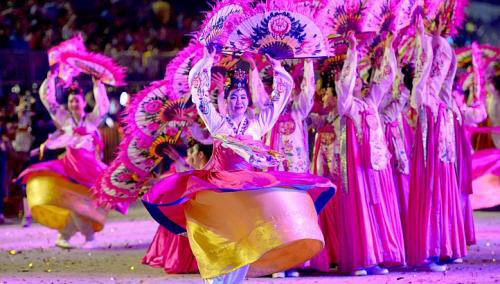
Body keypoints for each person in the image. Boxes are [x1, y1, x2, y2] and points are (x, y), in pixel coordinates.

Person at [139, 48, 336, 283]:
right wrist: (207, 60)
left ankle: (234, 279)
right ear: (227, 101)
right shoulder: (217, 124)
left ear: (248, 100)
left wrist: (277, 68)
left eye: (243, 97)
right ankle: (220, 279)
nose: (239, 101)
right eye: (234, 97)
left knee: (245, 240)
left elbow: (278, 100)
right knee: (224, 238)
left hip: (247, 189)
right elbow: (200, 96)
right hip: (220, 189)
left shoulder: (257, 124)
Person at [332, 30, 405, 276]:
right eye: (356, 79)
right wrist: (352, 51)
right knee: (361, 210)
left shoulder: (370, 103)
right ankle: (360, 260)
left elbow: (386, 79)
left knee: (377, 209)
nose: (360, 82)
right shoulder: (347, 106)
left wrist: (389, 47)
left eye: (361, 79)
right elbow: (344, 86)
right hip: (356, 170)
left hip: (375, 167)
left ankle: (377, 257)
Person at [18, 70, 109, 249]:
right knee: (74, 203)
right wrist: (51, 77)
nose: (74, 104)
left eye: (77, 100)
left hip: (89, 170)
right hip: (70, 168)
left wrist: (98, 84)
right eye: (70, 101)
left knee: (81, 204)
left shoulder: (92, 120)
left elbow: (103, 106)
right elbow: (48, 99)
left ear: (83, 103)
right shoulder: (65, 120)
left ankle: (65, 236)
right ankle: (88, 238)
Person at [406, 14, 467, 271]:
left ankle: (435, 248)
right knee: (437, 180)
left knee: (435, 181)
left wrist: (422, 42)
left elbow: (426, 87)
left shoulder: (438, 46)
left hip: (435, 118)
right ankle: (434, 249)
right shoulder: (440, 45)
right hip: (437, 117)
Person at [142, 140, 212, 274]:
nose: (190, 156)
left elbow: (190, 175)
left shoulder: (209, 170)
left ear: (201, 155)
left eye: (192, 152)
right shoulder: (194, 169)